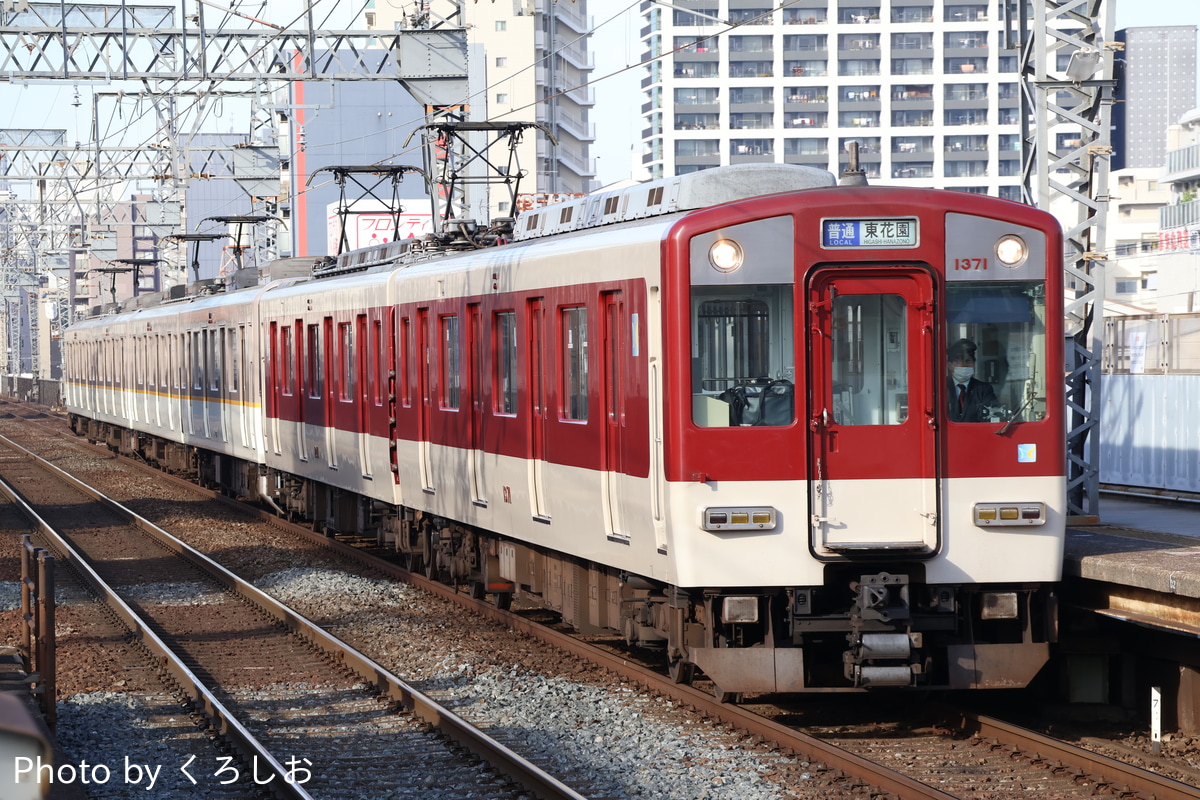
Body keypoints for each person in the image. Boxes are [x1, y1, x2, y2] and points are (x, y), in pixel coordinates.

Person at [947, 338, 997, 422]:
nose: (964, 365)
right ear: (950, 365)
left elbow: (991, 416)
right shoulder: (941, 388)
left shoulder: (984, 390)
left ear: (974, 363)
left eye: (968, 361)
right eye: (959, 361)